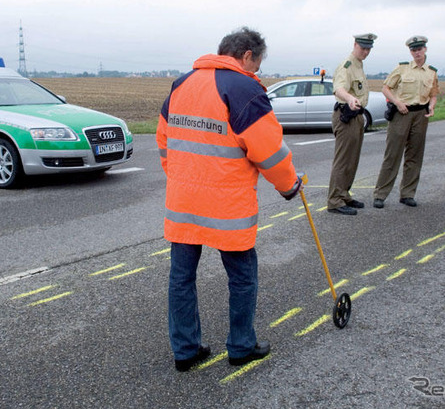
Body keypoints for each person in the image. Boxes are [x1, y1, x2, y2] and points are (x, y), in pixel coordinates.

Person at [156, 27, 302, 371]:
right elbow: (269, 151)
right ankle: (241, 346)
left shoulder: (182, 84)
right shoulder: (244, 88)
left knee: (181, 277)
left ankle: (186, 351)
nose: (256, 73)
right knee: (242, 277)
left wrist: (180, 177)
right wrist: (288, 185)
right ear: (247, 56)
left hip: (183, 202)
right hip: (227, 208)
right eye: (257, 65)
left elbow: (164, 142)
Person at [373, 36, 439, 209]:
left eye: (419, 49)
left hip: (420, 114)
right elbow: (385, 88)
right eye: (413, 50)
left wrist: (432, 106)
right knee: (392, 155)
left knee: (415, 156)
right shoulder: (402, 68)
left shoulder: (431, 72)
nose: (417, 53)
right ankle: (380, 194)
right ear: (410, 51)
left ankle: (408, 194)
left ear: (425, 49)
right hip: (402, 113)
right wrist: (397, 102)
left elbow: (433, 93)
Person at [327, 33, 377, 215]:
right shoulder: (346, 66)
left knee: (352, 159)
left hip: (357, 116)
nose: (365, 52)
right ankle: (334, 200)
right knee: (343, 160)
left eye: (368, 49)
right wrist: (349, 99)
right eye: (363, 48)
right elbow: (339, 88)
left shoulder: (358, 65)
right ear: (355, 45)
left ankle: (343, 194)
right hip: (346, 115)